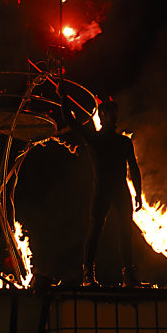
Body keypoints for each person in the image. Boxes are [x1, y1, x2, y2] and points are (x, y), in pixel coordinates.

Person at [59, 89, 143, 286]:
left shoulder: (123, 141)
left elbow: (134, 167)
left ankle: (128, 276)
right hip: (103, 191)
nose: (116, 116)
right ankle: (88, 274)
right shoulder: (95, 139)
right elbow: (71, 122)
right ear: (103, 115)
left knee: (125, 233)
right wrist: (63, 98)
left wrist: (138, 193)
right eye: (112, 112)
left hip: (120, 191)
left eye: (117, 112)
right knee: (95, 231)